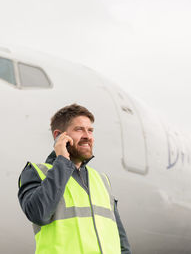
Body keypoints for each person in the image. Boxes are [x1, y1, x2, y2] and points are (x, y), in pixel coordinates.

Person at [18, 103, 131, 254]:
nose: (87, 136)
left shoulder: (101, 180)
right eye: (79, 129)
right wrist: (63, 161)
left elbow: (120, 240)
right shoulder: (37, 172)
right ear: (59, 136)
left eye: (90, 130)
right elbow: (39, 214)